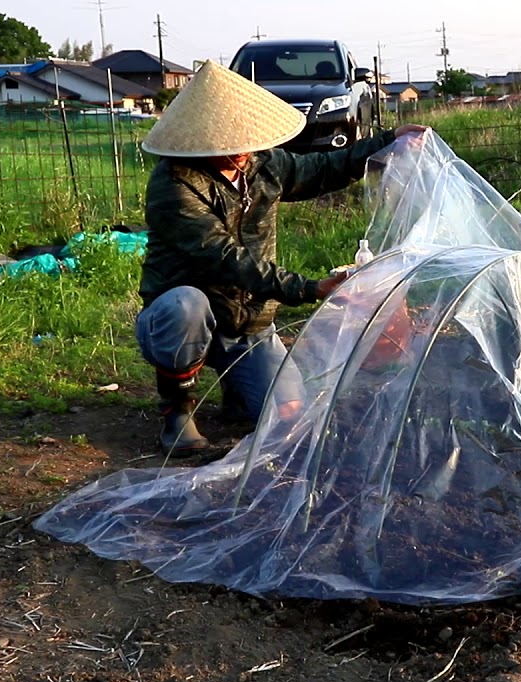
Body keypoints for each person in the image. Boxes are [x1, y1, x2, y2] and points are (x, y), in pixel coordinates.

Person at [136, 60, 428, 456]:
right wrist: (308, 288)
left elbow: (323, 168)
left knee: (291, 417)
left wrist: (387, 141)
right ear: (200, 140)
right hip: (188, 312)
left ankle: (237, 385)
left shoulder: (264, 164)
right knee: (184, 305)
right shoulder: (175, 184)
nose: (239, 152)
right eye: (226, 144)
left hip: (248, 319)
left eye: (243, 141)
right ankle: (178, 409)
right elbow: (225, 257)